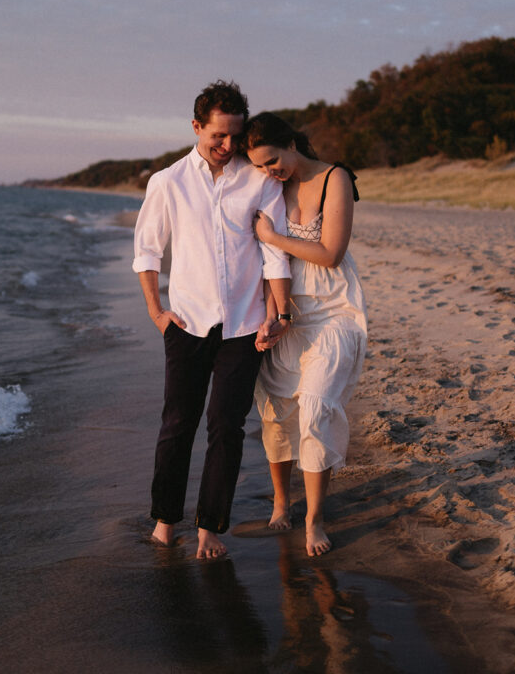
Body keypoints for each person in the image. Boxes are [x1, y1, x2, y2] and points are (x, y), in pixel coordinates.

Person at [133, 82, 292, 560]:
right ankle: (165, 520)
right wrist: (156, 312)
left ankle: (210, 527)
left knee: (226, 426)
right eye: (218, 136)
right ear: (197, 127)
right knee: (177, 424)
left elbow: (275, 252)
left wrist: (278, 312)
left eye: (234, 137)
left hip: (244, 326)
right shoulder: (168, 181)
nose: (227, 147)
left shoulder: (258, 180)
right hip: (185, 323)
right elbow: (147, 251)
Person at [243, 112, 367, 557]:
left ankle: (314, 518)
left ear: (291, 143)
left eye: (272, 160)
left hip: (333, 313)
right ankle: (281, 501)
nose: (267, 171)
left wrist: (273, 237)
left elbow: (331, 254)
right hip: (284, 314)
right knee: (276, 413)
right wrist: (271, 314)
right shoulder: (268, 187)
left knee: (315, 407)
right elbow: (259, 260)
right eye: (258, 165)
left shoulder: (335, 178)